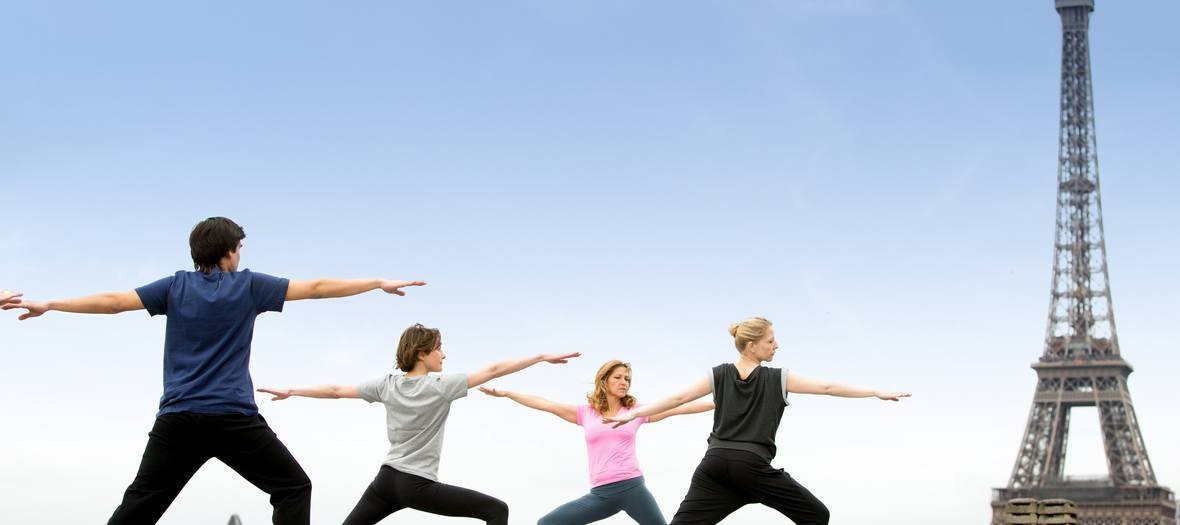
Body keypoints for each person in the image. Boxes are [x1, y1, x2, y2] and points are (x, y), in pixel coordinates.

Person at [3, 216, 425, 525]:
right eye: (239, 248)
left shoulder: (174, 286)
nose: (241, 256)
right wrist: (376, 282)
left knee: (139, 506)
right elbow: (315, 289)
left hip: (179, 421)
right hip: (232, 419)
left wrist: (49, 303)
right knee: (293, 487)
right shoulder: (248, 287)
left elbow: (113, 302)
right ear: (228, 252)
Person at [257, 323, 580, 525]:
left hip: (385, 482)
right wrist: (538, 357)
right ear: (422, 353)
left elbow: (336, 391)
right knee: (497, 511)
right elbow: (494, 369)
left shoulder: (386, 384)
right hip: (415, 484)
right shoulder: (441, 386)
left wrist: (293, 390)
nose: (444, 354)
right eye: (439, 348)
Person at [604, 317, 909, 525]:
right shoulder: (778, 378)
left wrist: (633, 413)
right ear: (752, 346)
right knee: (816, 516)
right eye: (770, 341)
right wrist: (874, 392)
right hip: (750, 466)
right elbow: (827, 388)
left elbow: (678, 398)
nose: (776, 346)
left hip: (715, 466)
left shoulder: (718, 374)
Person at [479, 359, 713, 525]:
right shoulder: (585, 413)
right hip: (600, 493)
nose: (624, 382)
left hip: (631, 487)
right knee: (548, 522)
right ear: (604, 380)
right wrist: (507, 393)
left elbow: (681, 407)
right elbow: (544, 403)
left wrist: (719, 403)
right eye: (618, 377)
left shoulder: (636, 411)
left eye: (628, 379)